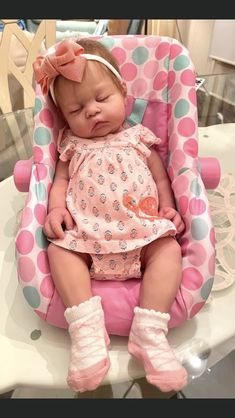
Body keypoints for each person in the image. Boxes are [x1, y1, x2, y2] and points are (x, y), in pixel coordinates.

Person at [33, 38, 188, 394]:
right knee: (59, 249)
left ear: (122, 91)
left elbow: (161, 176)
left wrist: (167, 207)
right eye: (75, 110)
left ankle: (149, 335)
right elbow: (59, 181)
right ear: (65, 118)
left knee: (170, 251)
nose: (91, 111)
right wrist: (56, 209)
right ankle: (86, 331)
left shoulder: (138, 137)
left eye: (101, 99)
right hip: (86, 236)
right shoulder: (71, 144)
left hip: (143, 231)